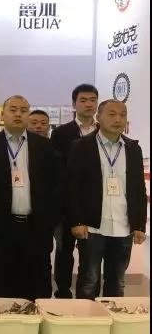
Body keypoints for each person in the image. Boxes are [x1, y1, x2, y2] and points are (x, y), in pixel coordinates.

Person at [0, 95, 59, 300]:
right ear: (2, 114)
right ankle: (0, 315)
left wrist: (50, 218)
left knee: (37, 276)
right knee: (1, 276)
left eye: (23, 110)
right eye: (13, 110)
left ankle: (35, 312)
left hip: (36, 224)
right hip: (1, 223)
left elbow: (55, 184)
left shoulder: (44, 146)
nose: (18, 114)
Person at [68, 100, 147, 299]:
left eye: (122, 115)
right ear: (99, 117)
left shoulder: (133, 148)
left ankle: (113, 317)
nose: (118, 119)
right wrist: (77, 221)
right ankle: (87, 317)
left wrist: (139, 225)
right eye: (112, 114)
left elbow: (139, 188)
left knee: (117, 281)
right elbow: (72, 187)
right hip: (93, 226)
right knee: (89, 280)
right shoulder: (82, 146)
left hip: (123, 226)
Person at [51, 84, 99, 298]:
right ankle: (62, 292)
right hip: (67, 203)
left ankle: (88, 297)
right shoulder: (61, 133)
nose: (89, 104)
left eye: (93, 100)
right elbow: (58, 170)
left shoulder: (103, 131)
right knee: (64, 251)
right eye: (83, 100)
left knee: (91, 254)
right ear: (74, 104)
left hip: (95, 203)